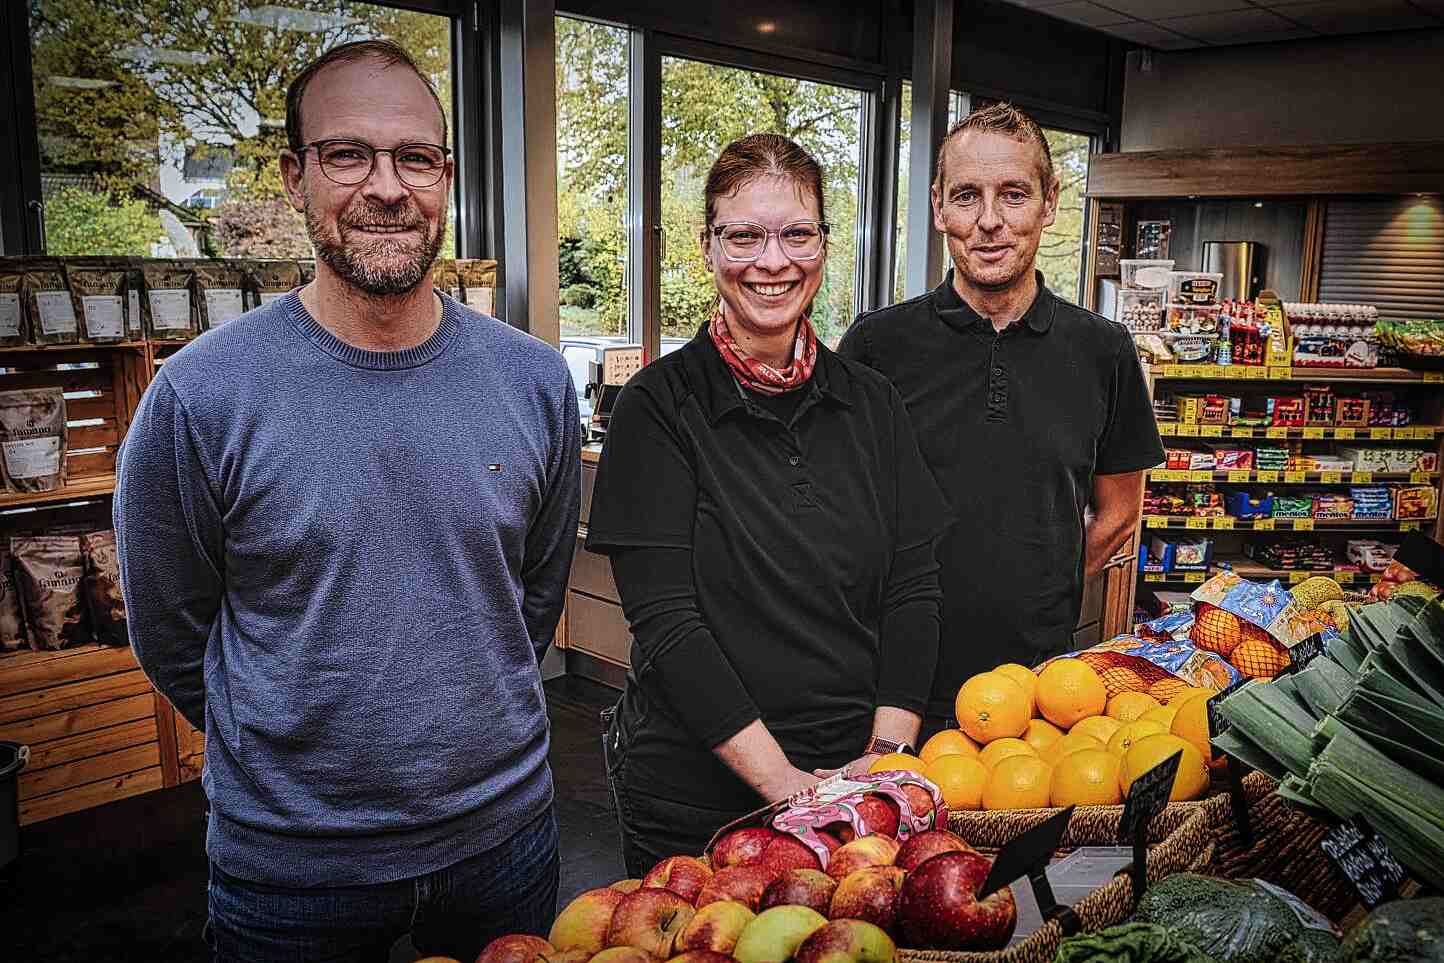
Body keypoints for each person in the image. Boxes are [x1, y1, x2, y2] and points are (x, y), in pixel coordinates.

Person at [113, 40, 580, 961]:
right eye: (347, 155)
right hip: (292, 876)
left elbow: (532, 596)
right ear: (295, 177)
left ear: (445, 176)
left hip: (506, 843)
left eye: (415, 157)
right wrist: (285, 752)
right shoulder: (202, 395)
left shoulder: (532, 381)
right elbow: (170, 627)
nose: (386, 186)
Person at [586, 133, 952, 876]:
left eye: (797, 233)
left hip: (855, 778)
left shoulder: (872, 402)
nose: (773, 260)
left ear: (823, 243)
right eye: (744, 235)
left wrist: (880, 762)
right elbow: (667, 623)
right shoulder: (657, 406)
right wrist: (787, 788)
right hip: (696, 798)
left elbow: (913, 587)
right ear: (709, 246)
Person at [838, 103, 1163, 740]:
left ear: (1049, 202)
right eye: (967, 196)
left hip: (1037, 692)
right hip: (889, 690)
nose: (990, 222)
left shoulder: (1104, 351)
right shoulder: (877, 347)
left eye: (1014, 194)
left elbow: (1120, 512)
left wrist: (1049, 589)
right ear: (938, 207)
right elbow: (837, 511)